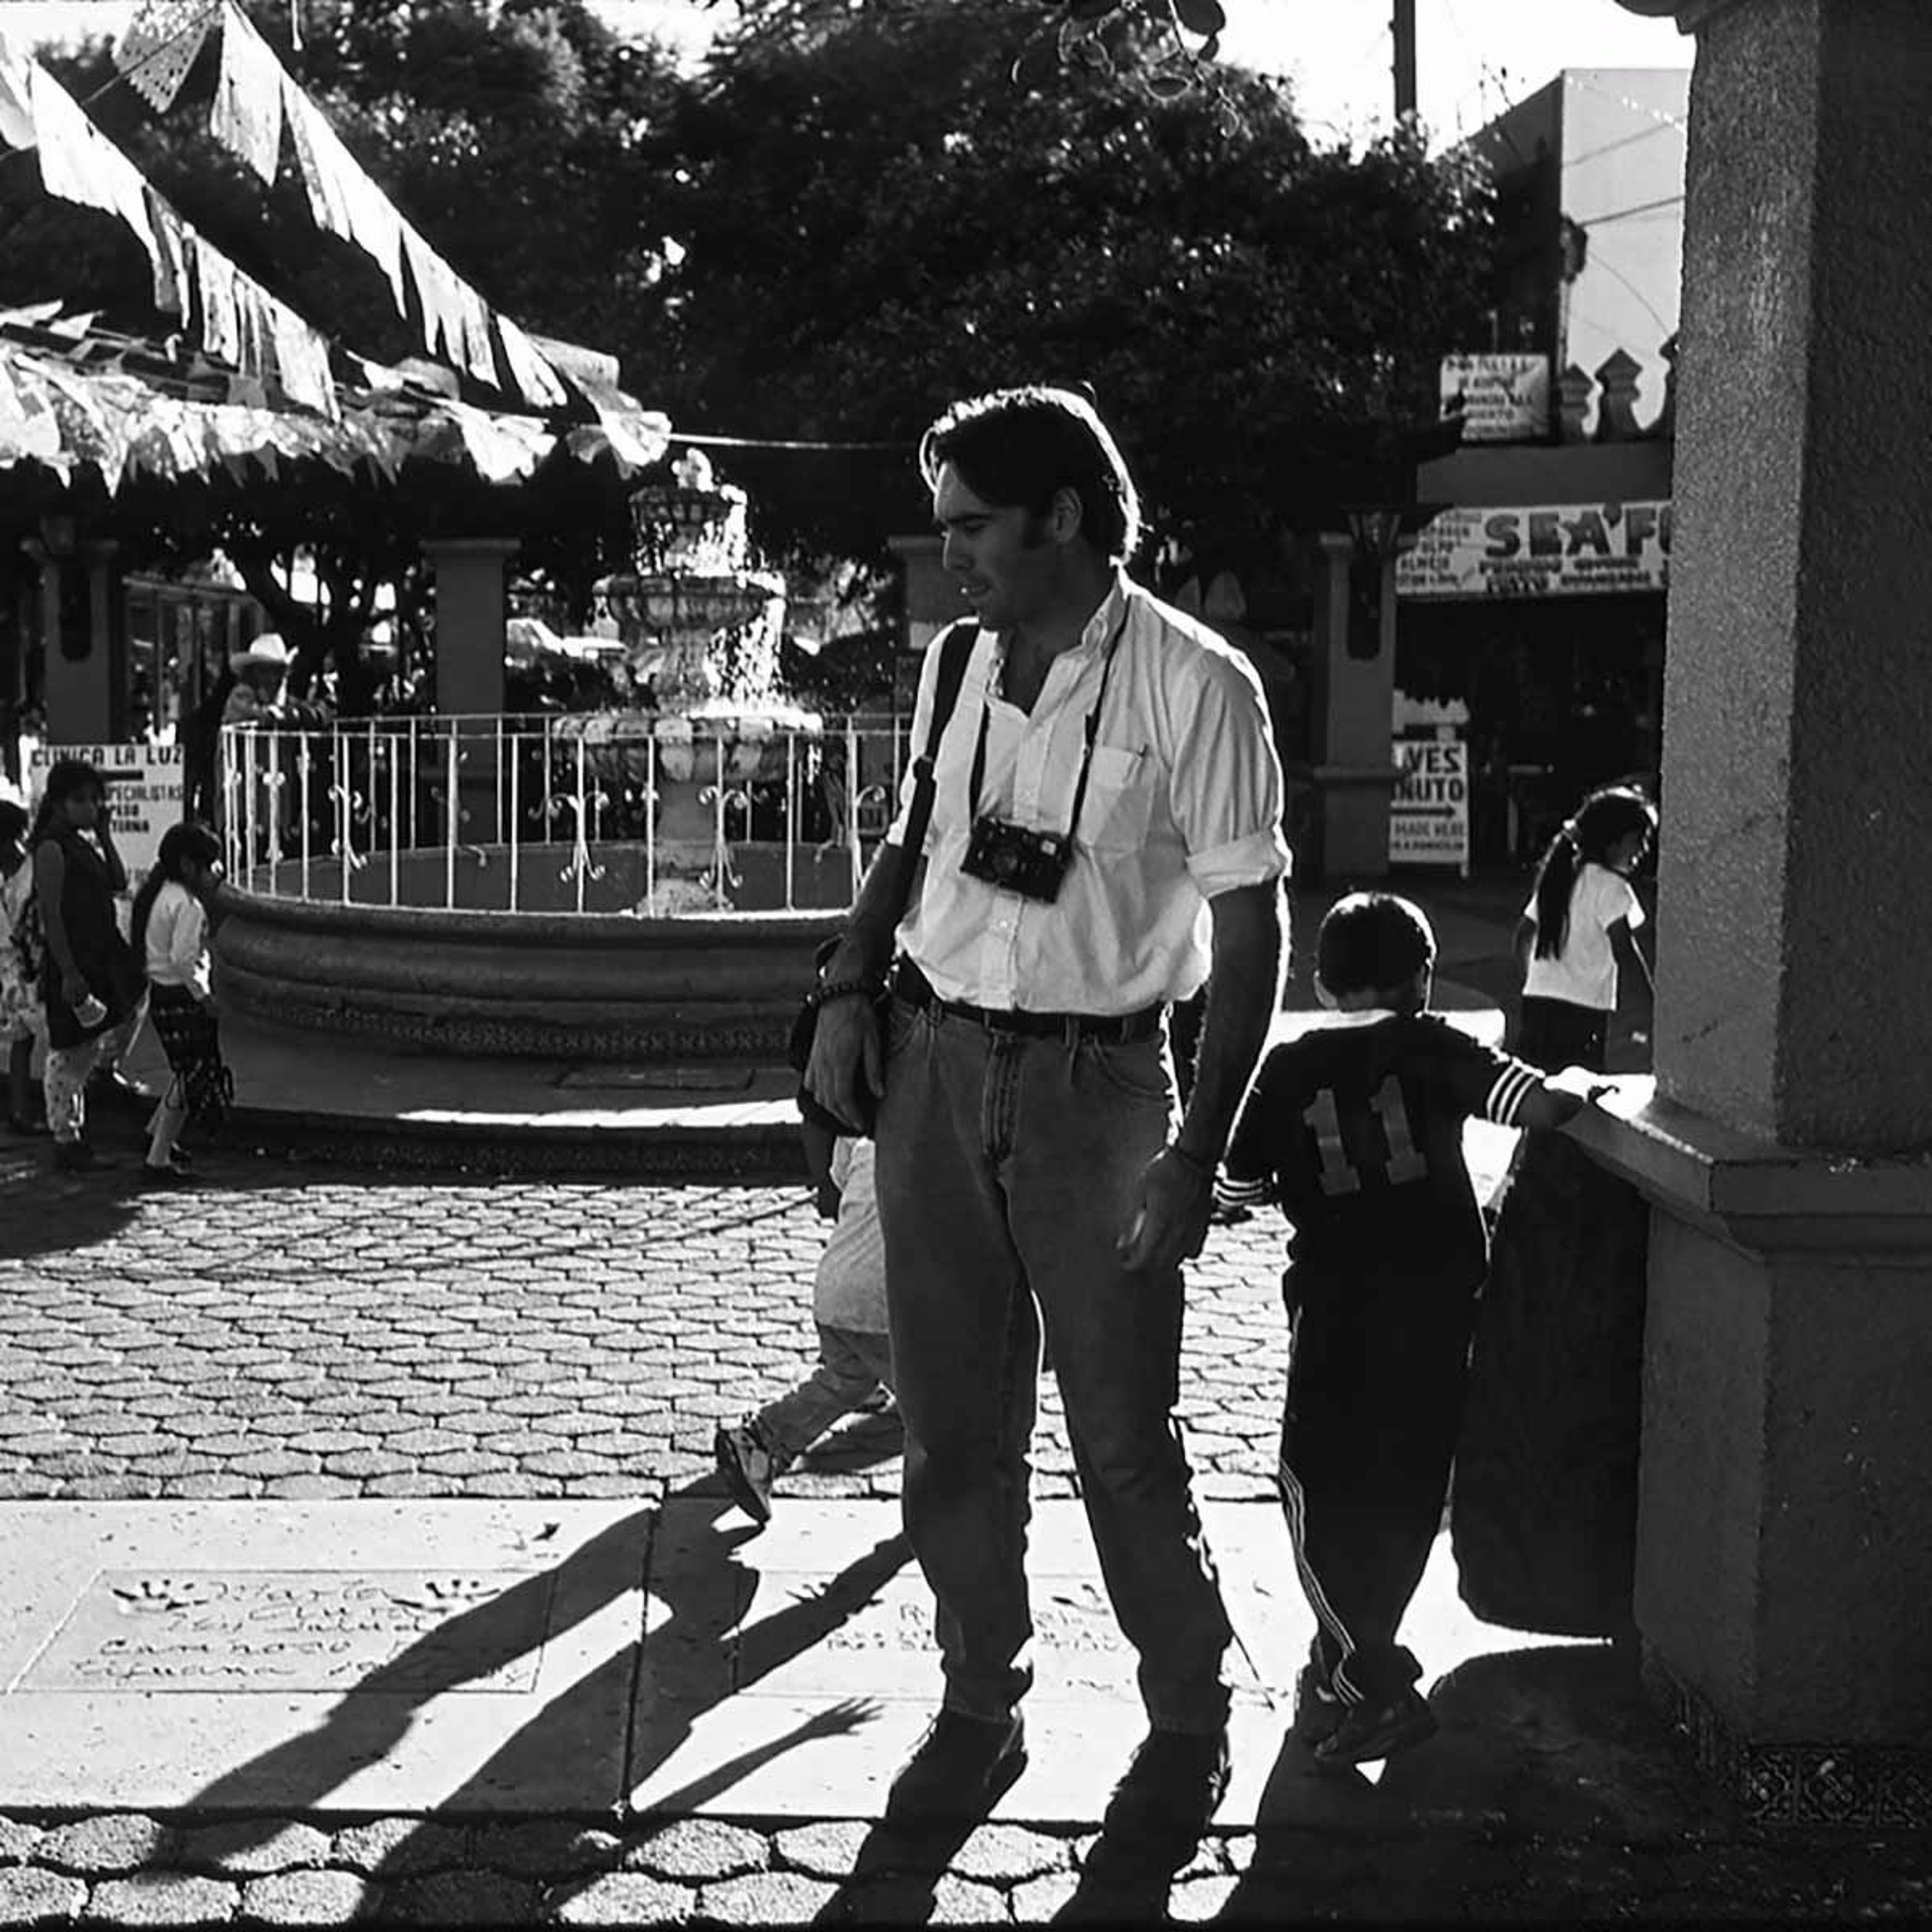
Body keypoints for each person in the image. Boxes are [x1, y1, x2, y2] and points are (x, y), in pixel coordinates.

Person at [806, 385, 1290, 1839]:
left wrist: (1198, 1155)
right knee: (952, 1434)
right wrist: (848, 986)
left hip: (1104, 1091)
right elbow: (912, 838)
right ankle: (980, 1706)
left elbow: (1253, 930)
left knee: (1124, 1442)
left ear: (1062, 517)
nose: (949, 554)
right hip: (937, 1067)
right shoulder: (956, 661)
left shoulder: (1198, 685)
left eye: (973, 527)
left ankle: (1189, 1715)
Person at [1217, 893, 1605, 1765]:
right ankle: (1350, 1664)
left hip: (1336, 1316)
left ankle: (1370, 1680)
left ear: (1321, 984)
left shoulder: (1288, 1066)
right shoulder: (1438, 1048)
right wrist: (1582, 1083)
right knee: (1406, 1489)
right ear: (1424, 979)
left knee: (1318, 1487)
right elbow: (1541, 1105)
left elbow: (1236, 1190)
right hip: (1437, 1313)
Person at [714, 1121, 895, 1525]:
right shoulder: (950, 1123)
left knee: (847, 1380)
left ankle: (759, 1442)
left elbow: (840, 1183)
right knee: (938, 1415)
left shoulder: (861, 1124)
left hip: (835, 1286)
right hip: (887, 1299)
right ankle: (950, 1521)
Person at [29, 760, 148, 1172]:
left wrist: (105, 835)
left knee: (132, 1003)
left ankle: (105, 1071)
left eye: (96, 800)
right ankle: (66, 1135)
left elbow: (117, 880)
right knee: (70, 1051)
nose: (92, 807)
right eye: (82, 800)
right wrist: (69, 972)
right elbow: (52, 915)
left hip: (104, 951)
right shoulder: (51, 848)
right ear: (59, 803)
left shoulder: (81, 843)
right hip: (76, 957)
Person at [1514, 786, 1658, 1074]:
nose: (1643, 850)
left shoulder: (1559, 879)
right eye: (1638, 840)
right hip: (1582, 1013)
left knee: (1539, 1086)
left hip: (1537, 1004)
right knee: (1578, 1092)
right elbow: (1625, 953)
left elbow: (1523, 935)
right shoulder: (1612, 887)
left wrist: (1534, 980)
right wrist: (1653, 1007)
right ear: (1612, 840)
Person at [129, 821, 229, 1186]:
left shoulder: (160, 895)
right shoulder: (188, 906)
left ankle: (156, 1134)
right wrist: (204, 997)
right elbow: (184, 958)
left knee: (183, 1072)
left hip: (162, 993)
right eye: (211, 865)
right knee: (192, 1077)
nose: (217, 873)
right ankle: (157, 1161)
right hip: (181, 997)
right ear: (189, 865)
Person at [0, 797, 44, 1135]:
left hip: (36, 964)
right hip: (14, 968)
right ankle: (22, 1112)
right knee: (22, 1037)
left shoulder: (35, 872)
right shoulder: (20, 872)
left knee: (45, 1039)